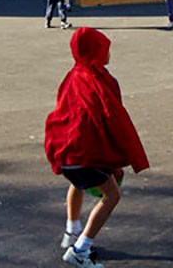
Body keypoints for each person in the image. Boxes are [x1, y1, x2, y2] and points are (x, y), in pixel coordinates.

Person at [43, 27, 149, 267]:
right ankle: (81, 249)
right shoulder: (101, 80)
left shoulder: (73, 75)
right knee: (112, 196)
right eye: (105, 49)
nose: (108, 53)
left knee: (76, 183)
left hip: (65, 149)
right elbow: (113, 117)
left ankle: (71, 231)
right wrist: (124, 154)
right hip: (86, 151)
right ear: (96, 52)